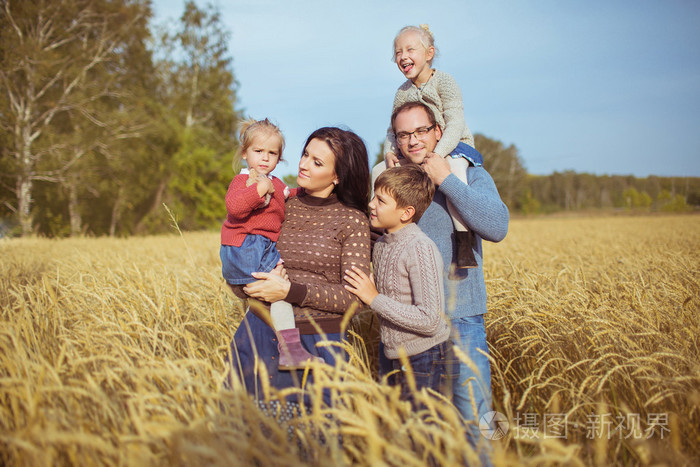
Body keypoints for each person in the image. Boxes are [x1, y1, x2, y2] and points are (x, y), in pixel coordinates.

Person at [373, 101, 509, 449]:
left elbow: (496, 226)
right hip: (407, 329)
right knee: (413, 435)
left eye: (421, 131)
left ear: (438, 131)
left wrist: (446, 180)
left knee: (473, 427)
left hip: (461, 319)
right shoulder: (391, 182)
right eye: (404, 134)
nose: (413, 141)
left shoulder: (466, 173)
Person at [228, 127, 372, 412]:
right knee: (247, 441)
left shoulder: (353, 221)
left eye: (317, 162)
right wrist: (247, 286)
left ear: (337, 176)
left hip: (317, 343)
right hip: (259, 331)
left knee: (313, 444)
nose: (303, 164)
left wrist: (289, 290)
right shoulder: (280, 204)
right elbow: (241, 254)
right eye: (306, 154)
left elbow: (353, 298)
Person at [344, 165, 457, 406]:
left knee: (422, 433)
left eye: (381, 201)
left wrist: (374, 298)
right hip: (392, 353)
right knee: (398, 429)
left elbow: (430, 320)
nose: (372, 204)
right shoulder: (383, 244)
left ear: (406, 213)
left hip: (424, 357)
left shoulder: (420, 248)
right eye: (374, 196)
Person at [375, 24, 482, 268]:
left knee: (453, 174)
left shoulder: (444, 81)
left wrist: (438, 154)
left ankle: (464, 238)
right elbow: (393, 130)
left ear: (429, 53)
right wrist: (389, 153)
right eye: (398, 52)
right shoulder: (402, 93)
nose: (403, 56)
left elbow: (456, 121)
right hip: (415, 152)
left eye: (410, 49)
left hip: (452, 147)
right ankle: (381, 233)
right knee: (378, 171)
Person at [220, 118, 322, 371]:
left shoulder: (275, 183)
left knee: (275, 297)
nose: (265, 158)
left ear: (279, 157)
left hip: (258, 246)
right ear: (244, 153)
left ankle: (285, 350)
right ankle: (291, 351)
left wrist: (314, 192)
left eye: (272, 153)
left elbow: (289, 194)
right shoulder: (244, 180)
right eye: (258, 151)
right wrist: (259, 189)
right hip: (246, 246)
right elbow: (234, 207)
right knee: (281, 291)